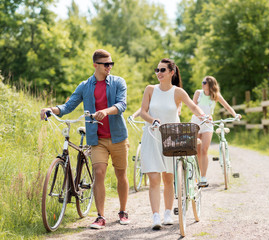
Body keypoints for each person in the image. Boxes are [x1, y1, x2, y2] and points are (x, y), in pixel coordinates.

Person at [40, 49, 130, 229]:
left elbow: (121, 105)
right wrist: (51, 109)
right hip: (96, 139)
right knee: (98, 173)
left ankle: (123, 211)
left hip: (118, 136)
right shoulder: (85, 86)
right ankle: (101, 216)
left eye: (111, 64)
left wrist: (106, 111)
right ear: (96, 65)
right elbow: (68, 106)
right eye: (106, 64)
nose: (109, 67)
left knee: (121, 174)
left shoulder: (118, 82)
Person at [139, 58, 206, 230]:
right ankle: (155, 216)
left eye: (162, 70)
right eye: (157, 70)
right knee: (154, 178)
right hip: (152, 137)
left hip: (170, 137)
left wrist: (203, 116)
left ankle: (168, 213)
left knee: (168, 178)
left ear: (171, 72)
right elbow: (143, 112)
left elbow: (193, 106)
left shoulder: (178, 92)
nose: (158, 73)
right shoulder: (150, 89)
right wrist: (152, 119)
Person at [191, 76, 241, 187]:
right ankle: (196, 176)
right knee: (196, 151)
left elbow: (227, 106)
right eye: (202, 82)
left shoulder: (215, 96)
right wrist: (200, 117)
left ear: (210, 84)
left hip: (208, 124)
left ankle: (203, 178)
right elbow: (192, 107)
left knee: (204, 150)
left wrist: (235, 114)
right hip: (196, 122)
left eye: (204, 82)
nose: (202, 84)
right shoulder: (198, 93)